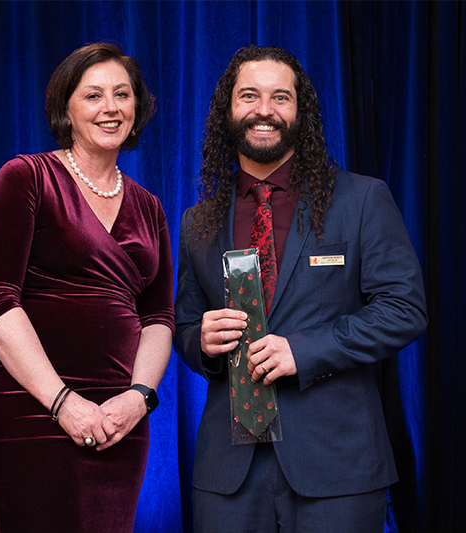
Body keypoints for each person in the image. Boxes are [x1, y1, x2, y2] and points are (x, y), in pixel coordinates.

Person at [174, 45, 427, 532]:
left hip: (338, 467)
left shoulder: (361, 199)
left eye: (280, 98)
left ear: (300, 112)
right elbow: (184, 322)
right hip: (227, 474)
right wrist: (200, 344)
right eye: (249, 96)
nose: (264, 110)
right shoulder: (197, 222)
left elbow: (404, 309)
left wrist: (305, 351)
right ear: (228, 110)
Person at [0, 43, 174, 533]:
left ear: (137, 107)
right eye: (94, 95)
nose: (111, 107)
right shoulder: (27, 177)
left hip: (119, 423)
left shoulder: (149, 207)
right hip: (30, 413)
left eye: (122, 94)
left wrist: (139, 398)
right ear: (66, 107)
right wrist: (63, 403)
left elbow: (160, 318)